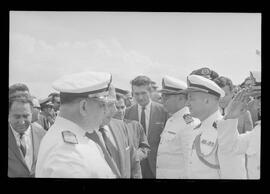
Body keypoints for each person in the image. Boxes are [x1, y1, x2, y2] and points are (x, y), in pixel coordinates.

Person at [35, 71, 117, 178]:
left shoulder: (74, 139)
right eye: (102, 105)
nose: (106, 111)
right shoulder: (68, 156)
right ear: (84, 107)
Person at [185, 74, 247, 179]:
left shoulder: (225, 131)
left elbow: (234, 175)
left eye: (191, 98)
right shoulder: (196, 128)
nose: (187, 103)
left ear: (207, 101)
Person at [156, 76, 200, 179]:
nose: (162, 101)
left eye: (166, 97)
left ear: (180, 98)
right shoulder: (171, 120)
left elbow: (190, 163)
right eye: (162, 97)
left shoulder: (189, 123)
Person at [124, 75, 168, 178]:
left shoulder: (163, 111)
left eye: (143, 93)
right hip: (136, 167)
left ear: (150, 92)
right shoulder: (127, 113)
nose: (140, 97)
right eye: (136, 94)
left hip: (157, 166)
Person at [99, 86, 142, 178]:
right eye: (110, 105)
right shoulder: (81, 136)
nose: (115, 110)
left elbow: (134, 162)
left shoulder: (120, 126)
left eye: (116, 105)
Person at [8, 94, 46, 177]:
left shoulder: (42, 134)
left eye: (25, 116)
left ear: (31, 114)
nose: (22, 122)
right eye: (17, 117)